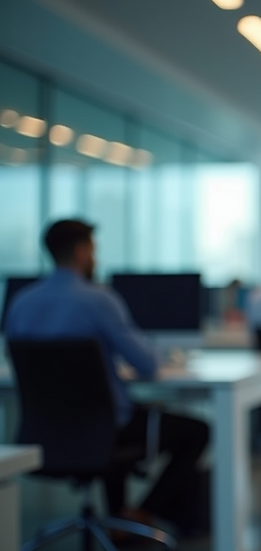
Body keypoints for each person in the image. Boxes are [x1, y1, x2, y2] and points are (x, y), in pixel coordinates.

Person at [5, 219, 209, 533]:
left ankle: (121, 521)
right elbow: (147, 365)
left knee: (113, 418)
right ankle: (139, 515)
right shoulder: (99, 300)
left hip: (43, 432)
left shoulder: (20, 303)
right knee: (196, 431)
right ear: (82, 251)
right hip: (104, 429)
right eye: (94, 251)